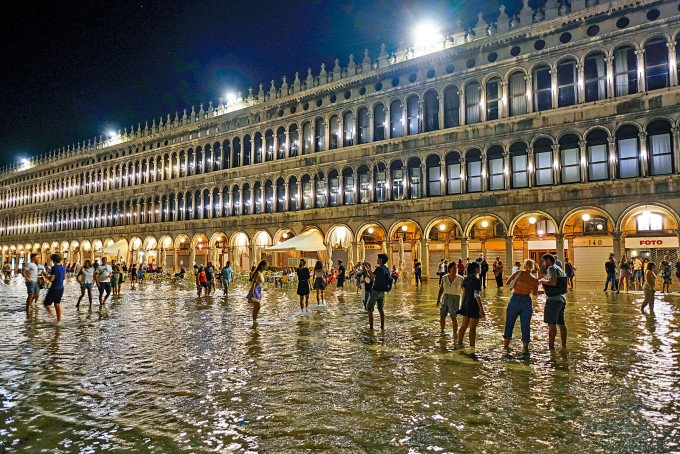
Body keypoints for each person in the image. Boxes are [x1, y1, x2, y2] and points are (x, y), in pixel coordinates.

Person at [503, 259, 539, 352]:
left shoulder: (518, 273)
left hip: (515, 299)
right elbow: (534, 293)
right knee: (525, 325)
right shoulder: (534, 280)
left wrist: (516, 284)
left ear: (524, 265)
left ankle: (506, 346)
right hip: (526, 301)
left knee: (509, 323)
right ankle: (525, 348)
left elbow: (507, 282)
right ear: (533, 267)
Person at [539, 254, 568, 349]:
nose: (543, 264)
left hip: (553, 300)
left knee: (551, 324)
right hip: (562, 299)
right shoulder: (559, 268)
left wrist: (541, 281)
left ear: (548, 260)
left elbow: (553, 282)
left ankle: (551, 347)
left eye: (543, 261)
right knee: (561, 323)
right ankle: (564, 345)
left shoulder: (551, 268)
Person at [458, 262, 485, 347]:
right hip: (473, 305)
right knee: (472, 328)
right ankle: (472, 347)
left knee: (464, 326)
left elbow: (464, 293)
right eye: (479, 267)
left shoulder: (466, 279)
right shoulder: (477, 280)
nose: (481, 269)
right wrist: (481, 307)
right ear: (476, 269)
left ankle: (459, 343)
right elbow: (476, 294)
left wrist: (462, 305)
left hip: (466, 303)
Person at [363, 253, 391, 330]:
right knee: (380, 309)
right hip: (382, 292)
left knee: (370, 309)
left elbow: (371, 277)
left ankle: (371, 328)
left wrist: (366, 271)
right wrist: (368, 269)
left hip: (375, 291)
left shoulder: (379, 268)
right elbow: (374, 274)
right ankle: (382, 326)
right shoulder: (386, 268)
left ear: (381, 260)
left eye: (378, 259)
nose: (376, 260)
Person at [437, 262, 463, 337]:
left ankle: (455, 333)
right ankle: (442, 331)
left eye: (456, 268)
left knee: (453, 316)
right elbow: (441, 289)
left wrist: (464, 301)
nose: (456, 269)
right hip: (445, 297)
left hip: (455, 298)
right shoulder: (444, 278)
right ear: (449, 269)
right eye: (454, 268)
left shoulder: (460, 278)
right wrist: (438, 300)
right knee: (442, 315)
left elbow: (463, 290)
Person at [43, 253, 65, 322]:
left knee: (46, 304)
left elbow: (52, 279)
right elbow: (63, 277)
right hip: (61, 288)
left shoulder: (54, 267)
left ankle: (53, 317)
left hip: (54, 288)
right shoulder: (63, 267)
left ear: (53, 260)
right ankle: (59, 320)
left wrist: (46, 276)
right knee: (57, 304)